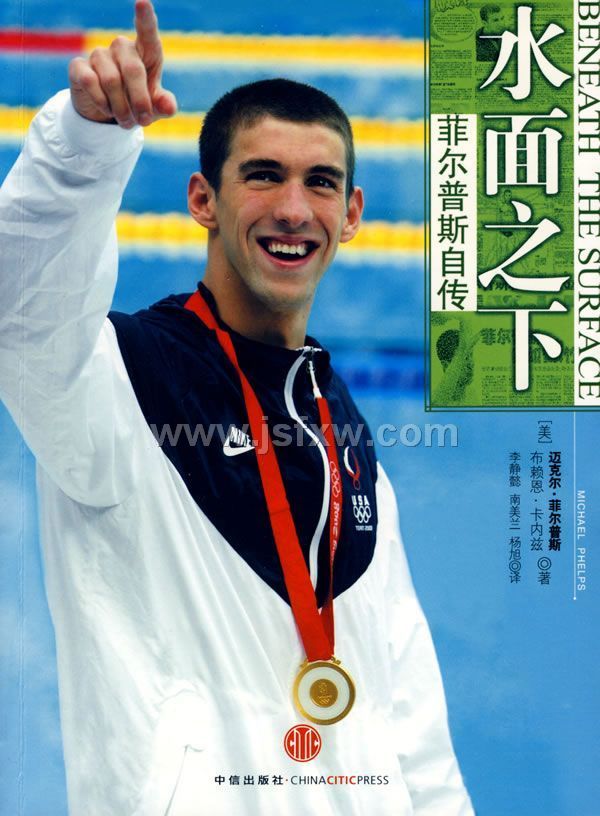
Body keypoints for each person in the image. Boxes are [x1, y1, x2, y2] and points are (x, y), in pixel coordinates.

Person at [0, 1, 474, 814]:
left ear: (352, 215)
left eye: (320, 183)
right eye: (263, 175)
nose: (293, 209)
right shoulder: (120, 380)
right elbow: (22, 312)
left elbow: (410, 719)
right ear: (202, 200)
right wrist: (84, 146)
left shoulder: (342, 425)